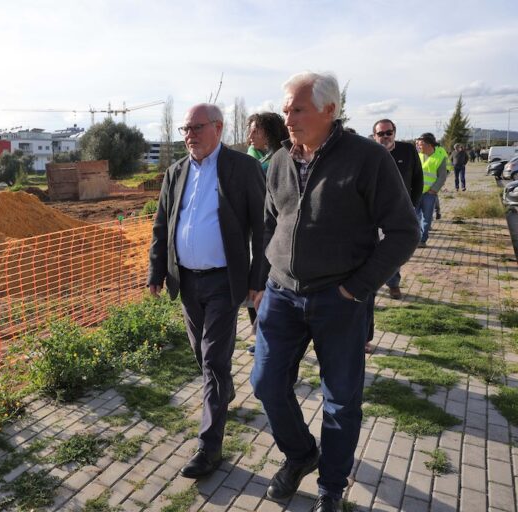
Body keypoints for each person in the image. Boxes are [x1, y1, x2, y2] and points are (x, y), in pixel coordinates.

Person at [250, 72, 419, 512]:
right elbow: (272, 222)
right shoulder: (282, 160)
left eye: (298, 109)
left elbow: (404, 232)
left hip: (339, 300)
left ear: (329, 110)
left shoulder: (367, 158)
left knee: (341, 402)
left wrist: (357, 288)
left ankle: (331, 486)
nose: (287, 118)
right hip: (282, 296)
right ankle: (302, 454)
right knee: (265, 383)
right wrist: (264, 279)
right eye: (286, 109)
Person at [148, 103, 266, 479]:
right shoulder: (175, 171)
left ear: (218, 128)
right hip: (186, 281)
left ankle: (209, 446)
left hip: (223, 280)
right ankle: (223, 392)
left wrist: (257, 278)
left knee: (215, 360)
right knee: (202, 355)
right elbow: (162, 223)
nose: (189, 135)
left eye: (196, 128)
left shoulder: (241, 168)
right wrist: (156, 270)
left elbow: (263, 227)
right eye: (185, 129)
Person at [245, 112, 287, 354]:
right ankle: (260, 333)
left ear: (270, 133)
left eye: (256, 131)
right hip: (251, 234)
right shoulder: (250, 160)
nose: (250, 135)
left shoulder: (283, 159)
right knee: (252, 283)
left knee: (269, 285)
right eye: (250, 130)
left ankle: (269, 337)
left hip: (276, 233)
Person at [372, 119, 423, 299]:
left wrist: (413, 205)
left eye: (388, 132)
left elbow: (418, 179)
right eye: (381, 134)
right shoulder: (369, 153)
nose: (385, 136)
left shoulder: (408, 150)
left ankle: (393, 283)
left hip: (400, 211)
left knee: (394, 249)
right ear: (374, 136)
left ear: (394, 133)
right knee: (372, 248)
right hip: (372, 212)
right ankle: (372, 282)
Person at [415, 133, 449, 248]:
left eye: (420, 145)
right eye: (418, 145)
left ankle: (422, 240)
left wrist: (434, 190)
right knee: (414, 217)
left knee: (427, 217)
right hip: (416, 192)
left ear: (428, 145)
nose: (419, 147)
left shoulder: (440, 158)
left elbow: (442, 176)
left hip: (429, 194)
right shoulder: (417, 156)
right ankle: (415, 238)